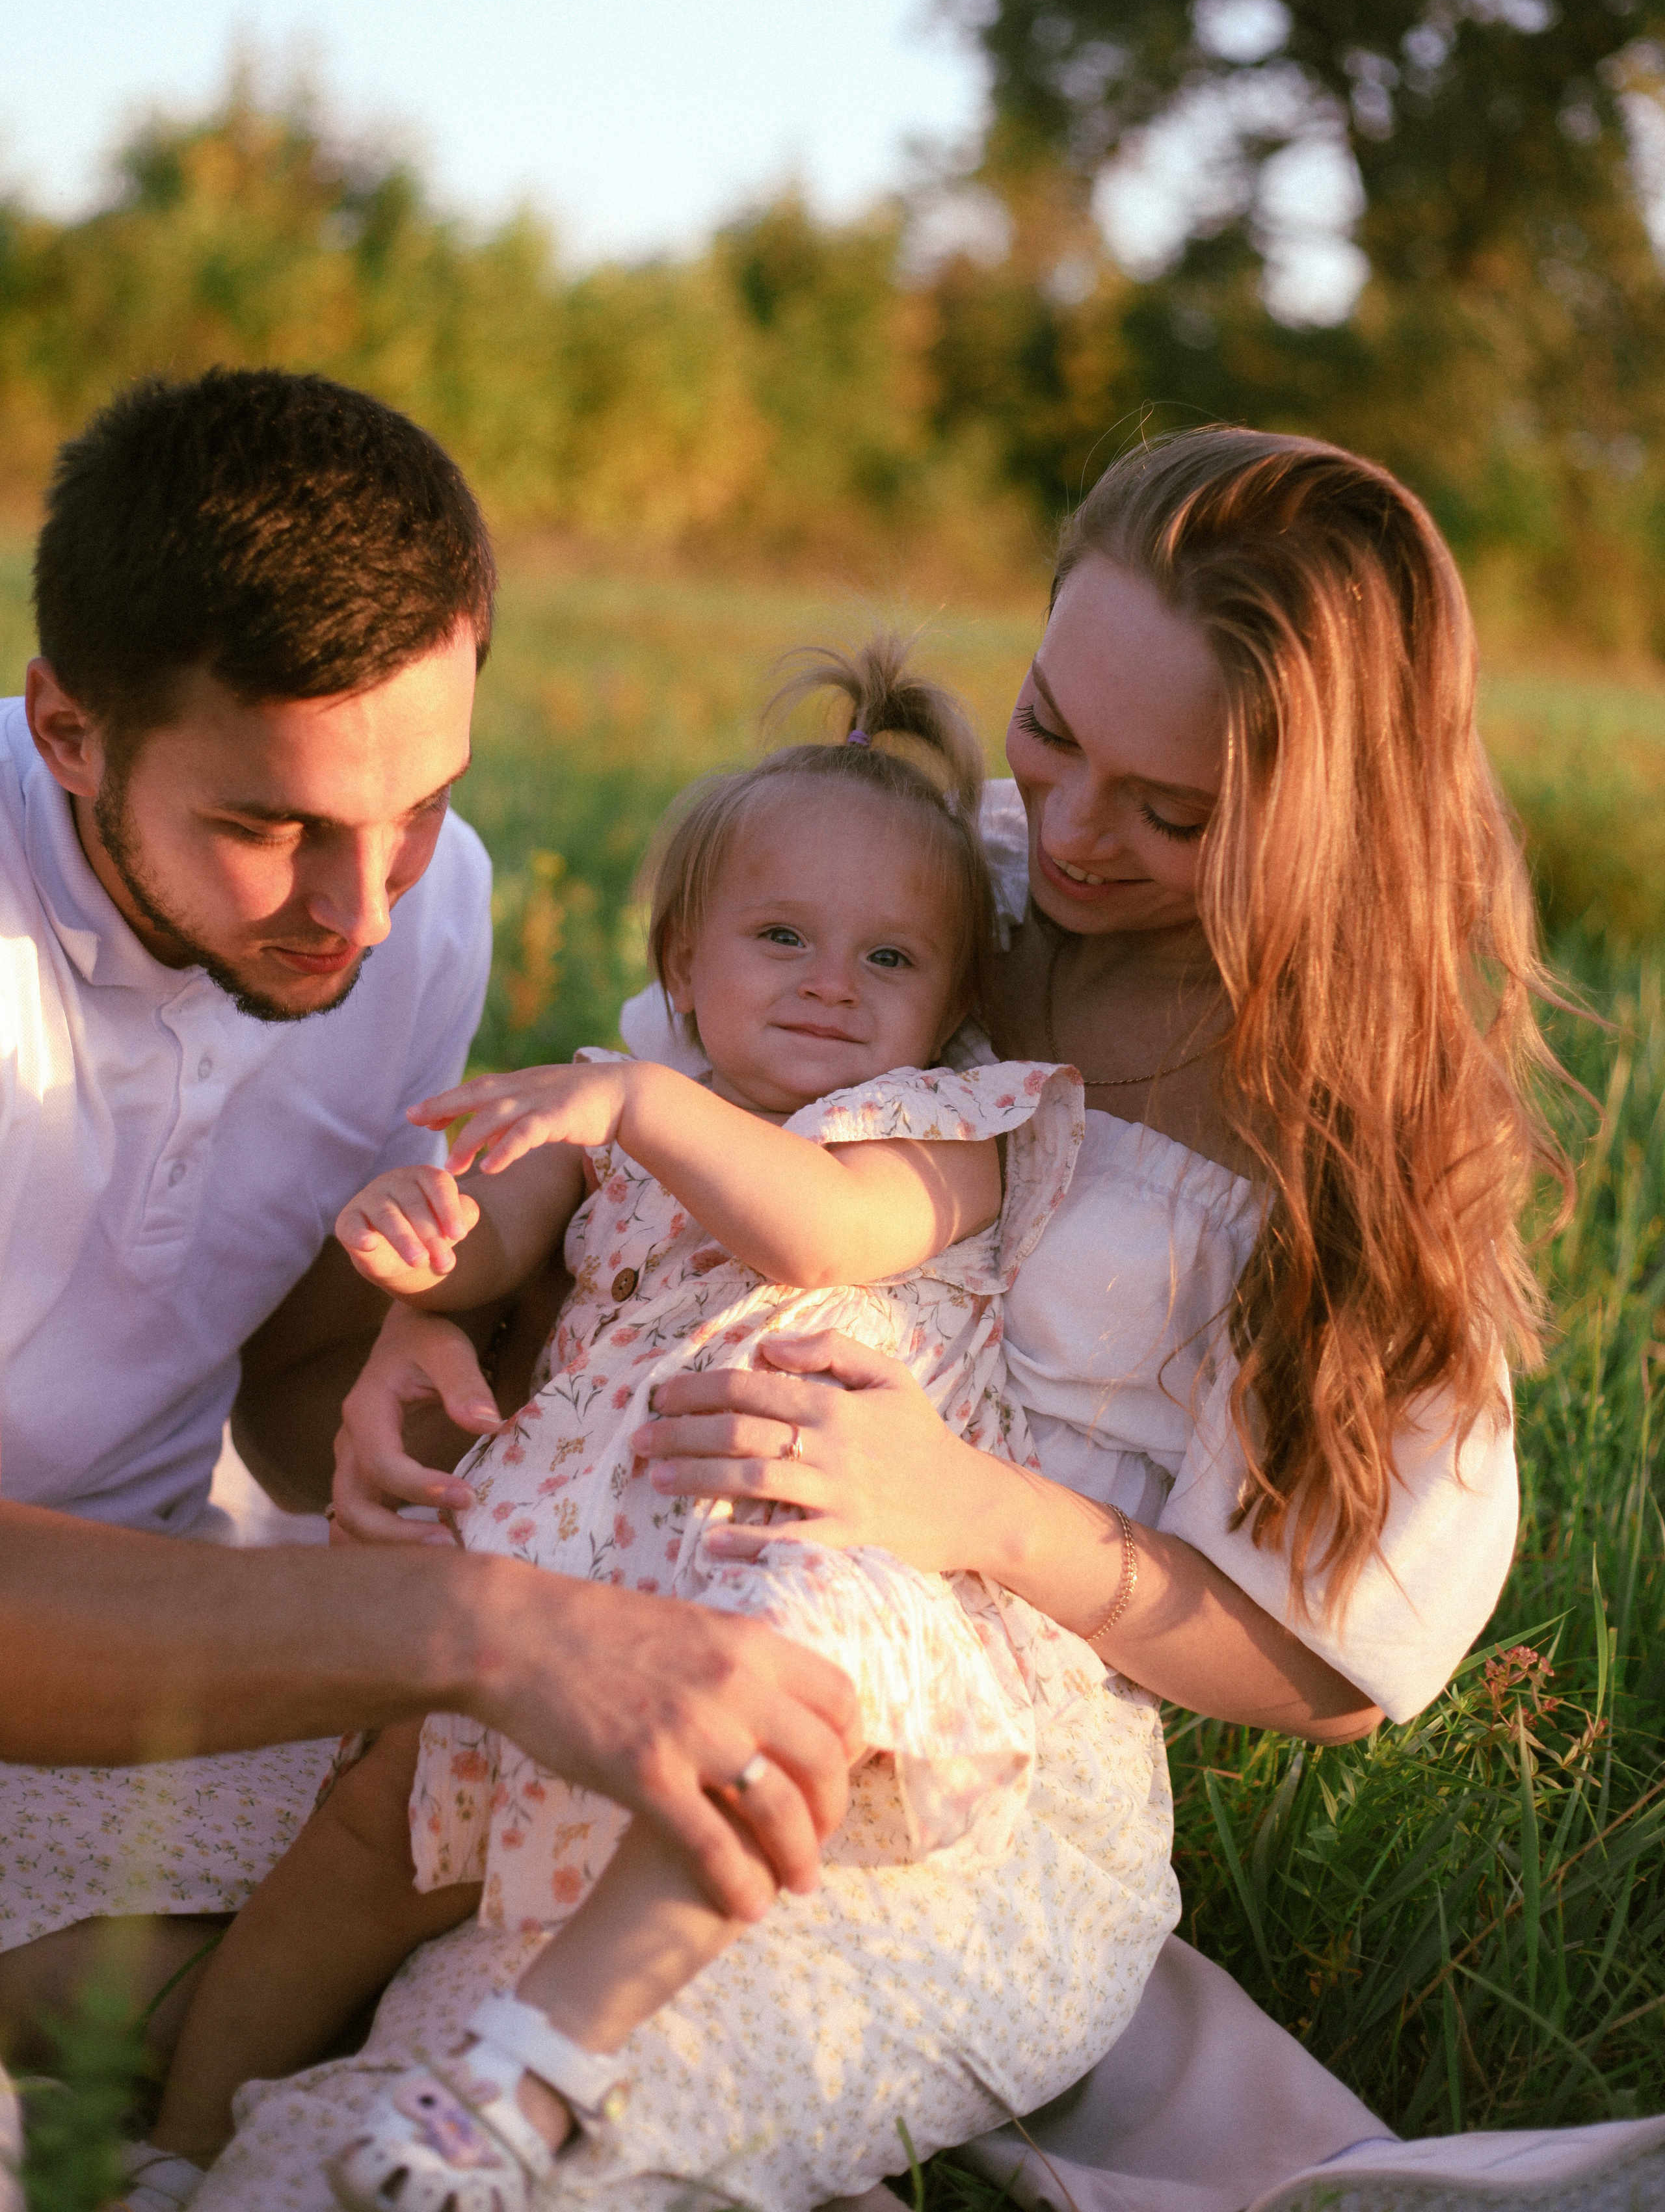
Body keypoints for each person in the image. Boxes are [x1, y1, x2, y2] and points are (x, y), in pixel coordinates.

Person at [273, 428, 1665, 2212]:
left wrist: (970, 1513)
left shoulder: (1346, 1129)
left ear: (1324, 823)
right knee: (219, 1877)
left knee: (472, 2123)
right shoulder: (936, 885)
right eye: (1054, 730)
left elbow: (1327, 1666)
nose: (1074, 833)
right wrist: (440, 1321)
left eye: (1173, 813)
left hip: (957, 1744)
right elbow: (640, 1126)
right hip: (614, 1573)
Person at [133, 644, 1175, 2212]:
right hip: (555, 1549)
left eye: (891, 959)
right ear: (683, 967)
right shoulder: (609, 1111)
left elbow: (817, 1236)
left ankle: (528, 2074)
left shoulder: (941, 1131)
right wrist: (419, 1236)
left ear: (954, 1004)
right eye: (779, 937)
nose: (832, 982)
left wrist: (629, 1101)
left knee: (752, 1750)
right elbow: (494, 1248)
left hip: (780, 1534)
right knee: (365, 1833)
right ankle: (170, 2138)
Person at [0, 371, 858, 2099]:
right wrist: (496, 1633)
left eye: (420, 807)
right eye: (270, 827)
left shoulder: (421, 907)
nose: (363, 907)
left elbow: (283, 1364)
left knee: (614, 1923)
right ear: (67, 729)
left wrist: (421, 1359)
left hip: (173, 1626)